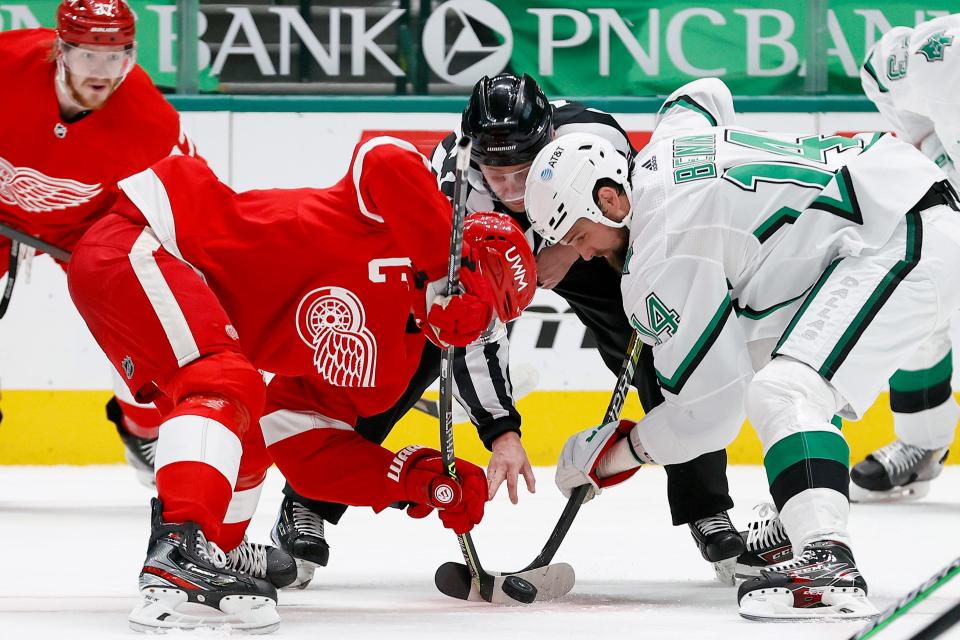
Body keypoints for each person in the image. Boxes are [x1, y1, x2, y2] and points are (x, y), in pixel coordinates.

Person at [527, 77, 958, 619]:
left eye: (577, 236)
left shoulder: (662, 253)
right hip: (890, 204)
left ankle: (827, 559)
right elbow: (701, 94)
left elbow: (711, 413)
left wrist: (614, 453)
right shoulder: (665, 145)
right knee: (760, 351)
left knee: (785, 389)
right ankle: (797, 511)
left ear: (609, 199)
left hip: (897, 233)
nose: (582, 255)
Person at [67, 136, 536, 632]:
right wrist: (447, 272)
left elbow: (301, 441)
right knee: (224, 381)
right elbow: (382, 157)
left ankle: (214, 552)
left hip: (171, 283)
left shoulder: (394, 366)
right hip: (147, 239)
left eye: (489, 324)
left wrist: (417, 480)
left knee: (248, 435)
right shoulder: (393, 224)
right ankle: (178, 548)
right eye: (481, 305)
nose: (474, 327)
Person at [0, 0, 198, 485]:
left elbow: (193, 192)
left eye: (117, 57)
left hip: (87, 226)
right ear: (59, 51)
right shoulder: (6, 63)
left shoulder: (151, 120)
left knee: (136, 326)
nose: (103, 72)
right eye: (89, 55)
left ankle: (144, 430)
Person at [851, 13, 960, 502]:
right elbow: (880, 68)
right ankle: (921, 445)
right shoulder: (937, 50)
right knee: (921, 305)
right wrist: (931, 150)